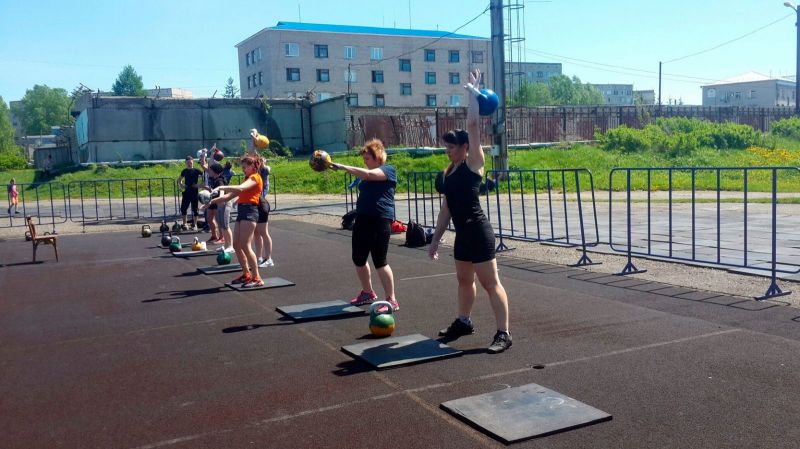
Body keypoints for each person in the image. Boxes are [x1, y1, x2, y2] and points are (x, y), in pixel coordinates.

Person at [428, 68, 512, 354]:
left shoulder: (474, 162)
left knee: (491, 283)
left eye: (452, 147)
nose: (448, 151)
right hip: (462, 234)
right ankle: (464, 322)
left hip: (478, 232)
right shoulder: (448, 172)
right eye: (447, 148)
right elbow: (446, 209)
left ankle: (503, 333)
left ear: (465, 147)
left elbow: (474, 125)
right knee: (464, 281)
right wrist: (436, 239)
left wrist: (473, 95)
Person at [330, 139, 399, 311]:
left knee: (380, 261)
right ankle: (368, 292)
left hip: (379, 220)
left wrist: (343, 167)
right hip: (362, 219)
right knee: (358, 258)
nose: (365, 161)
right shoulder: (367, 174)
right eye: (364, 158)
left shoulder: (388, 170)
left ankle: (391, 299)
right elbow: (367, 175)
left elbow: (369, 175)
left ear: (378, 157)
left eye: (368, 158)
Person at [206, 155, 263, 288]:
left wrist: (221, 188)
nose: (243, 169)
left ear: (253, 166)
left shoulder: (255, 177)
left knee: (245, 245)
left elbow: (240, 189)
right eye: (242, 167)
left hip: (250, 211)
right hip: (242, 211)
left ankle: (257, 278)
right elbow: (228, 197)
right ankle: (246, 274)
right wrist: (210, 202)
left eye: (245, 167)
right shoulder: (246, 179)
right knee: (237, 245)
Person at [205, 162, 234, 252]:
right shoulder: (214, 180)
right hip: (219, 204)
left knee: (225, 226)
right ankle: (226, 246)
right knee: (221, 226)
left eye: (210, 170)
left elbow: (221, 192)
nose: (209, 171)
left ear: (215, 171)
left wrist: (213, 201)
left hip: (225, 204)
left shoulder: (219, 181)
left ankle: (231, 246)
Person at [177, 155, 203, 231]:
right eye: (188, 163)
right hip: (187, 192)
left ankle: (195, 224)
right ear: (185, 163)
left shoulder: (197, 170)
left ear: (193, 162)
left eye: (190, 163)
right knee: (183, 208)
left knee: (195, 209)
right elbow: (179, 179)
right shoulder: (184, 171)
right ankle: (185, 224)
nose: (189, 164)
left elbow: (205, 178)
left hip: (194, 192)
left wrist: (199, 185)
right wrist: (182, 185)